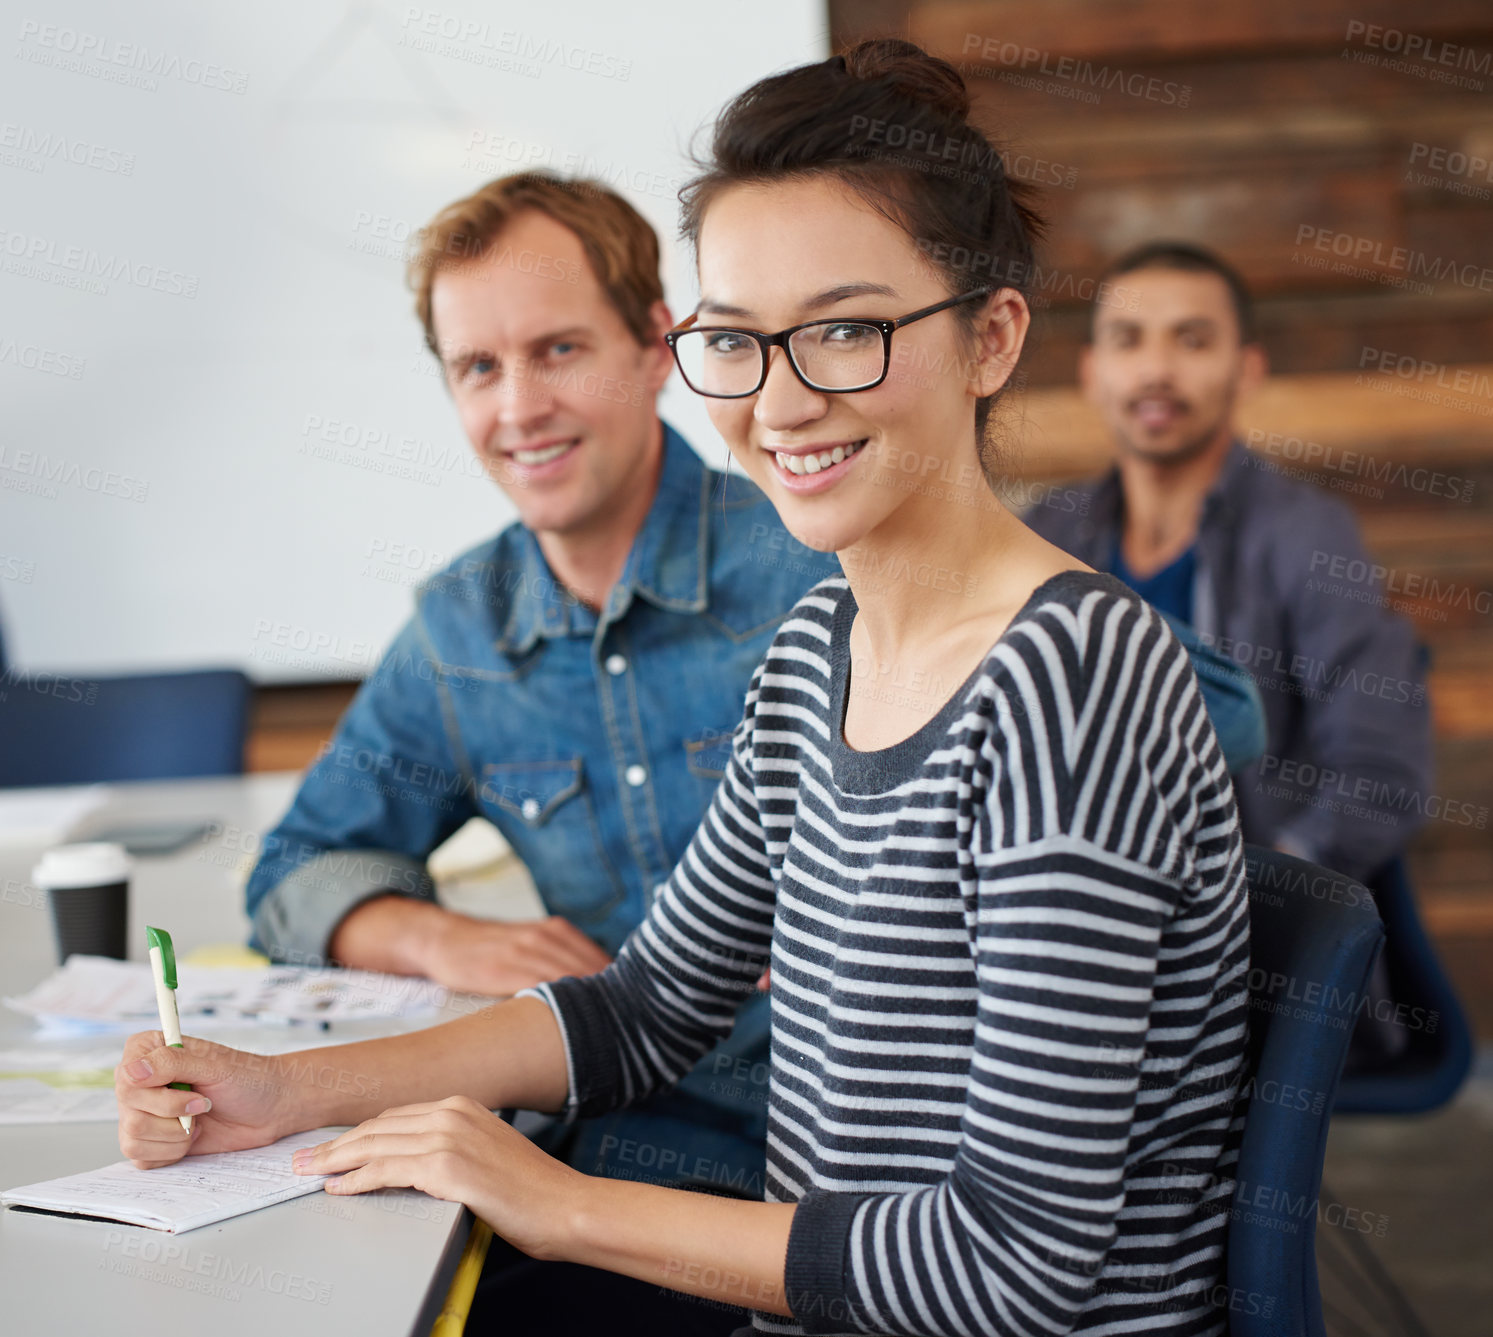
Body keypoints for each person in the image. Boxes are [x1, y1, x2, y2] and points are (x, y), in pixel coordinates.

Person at [120, 42, 1249, 1336]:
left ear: (990, 338)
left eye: (842, 329)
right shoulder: (824, 646)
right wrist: (289, 1092)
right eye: (740, 340)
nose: (776, 400)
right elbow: (647, 1008)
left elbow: (1008, 1268)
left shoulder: (1069, 685)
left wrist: (558, 1204)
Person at [243, 172, 839, 1192]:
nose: (519, 408)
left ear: (656, 348)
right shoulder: (462, 626)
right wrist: (441, 939)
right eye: (479, 366)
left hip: (834, 1168)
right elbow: (290, 873)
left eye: (557, 349)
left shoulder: (813, 563)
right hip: (601, 1143)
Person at [1025, 241, 1433, 885]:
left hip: (1248, 934)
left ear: (1247, 370)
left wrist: (1262, 898)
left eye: (1192, 341)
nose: (1156, 369)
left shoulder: (1308, 535)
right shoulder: (1046, 533)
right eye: (1128, 340)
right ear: (1092, 371)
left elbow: (1383, 774)